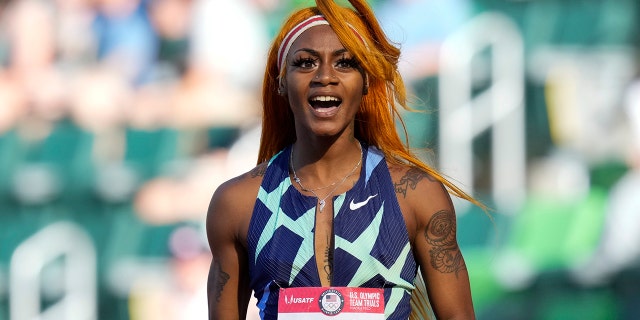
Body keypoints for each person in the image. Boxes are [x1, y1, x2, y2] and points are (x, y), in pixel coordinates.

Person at [206, 0, 481, 318]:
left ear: (366, 82)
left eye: (345, 63)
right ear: (281, 81)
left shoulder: (418, 196)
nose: (325, 76)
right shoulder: (237, 203)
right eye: (306, 63)